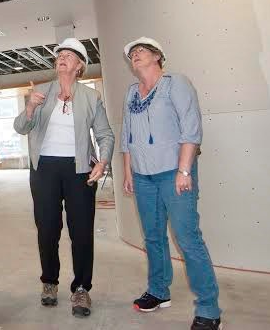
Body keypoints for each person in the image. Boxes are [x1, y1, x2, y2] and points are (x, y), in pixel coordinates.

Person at [121, 37, 221, 330]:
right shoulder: (131, 93)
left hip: (174, 173)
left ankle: (208, 307)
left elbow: (191, 128)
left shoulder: (176, 83)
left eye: (141, 51)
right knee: (152, 237)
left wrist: (185, 171)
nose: (135, 55)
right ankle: (158, 291)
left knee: (188, 239)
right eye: (132, 53)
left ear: (157, 56)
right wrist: (128, 172)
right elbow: (127, 136)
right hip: (142, 176)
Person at [14, 38, 114, 318]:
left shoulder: (91, 97)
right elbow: (21, 127)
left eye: (70, 55)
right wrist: (30, 108)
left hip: (79, 168)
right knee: (47, 229)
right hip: (44, 168)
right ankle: (49, 282)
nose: (62, 58)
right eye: (60, 54)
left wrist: (103, 161)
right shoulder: (40, 92)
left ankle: (81, 288)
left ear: (79, 66)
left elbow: (105, 134)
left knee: (81, 231)